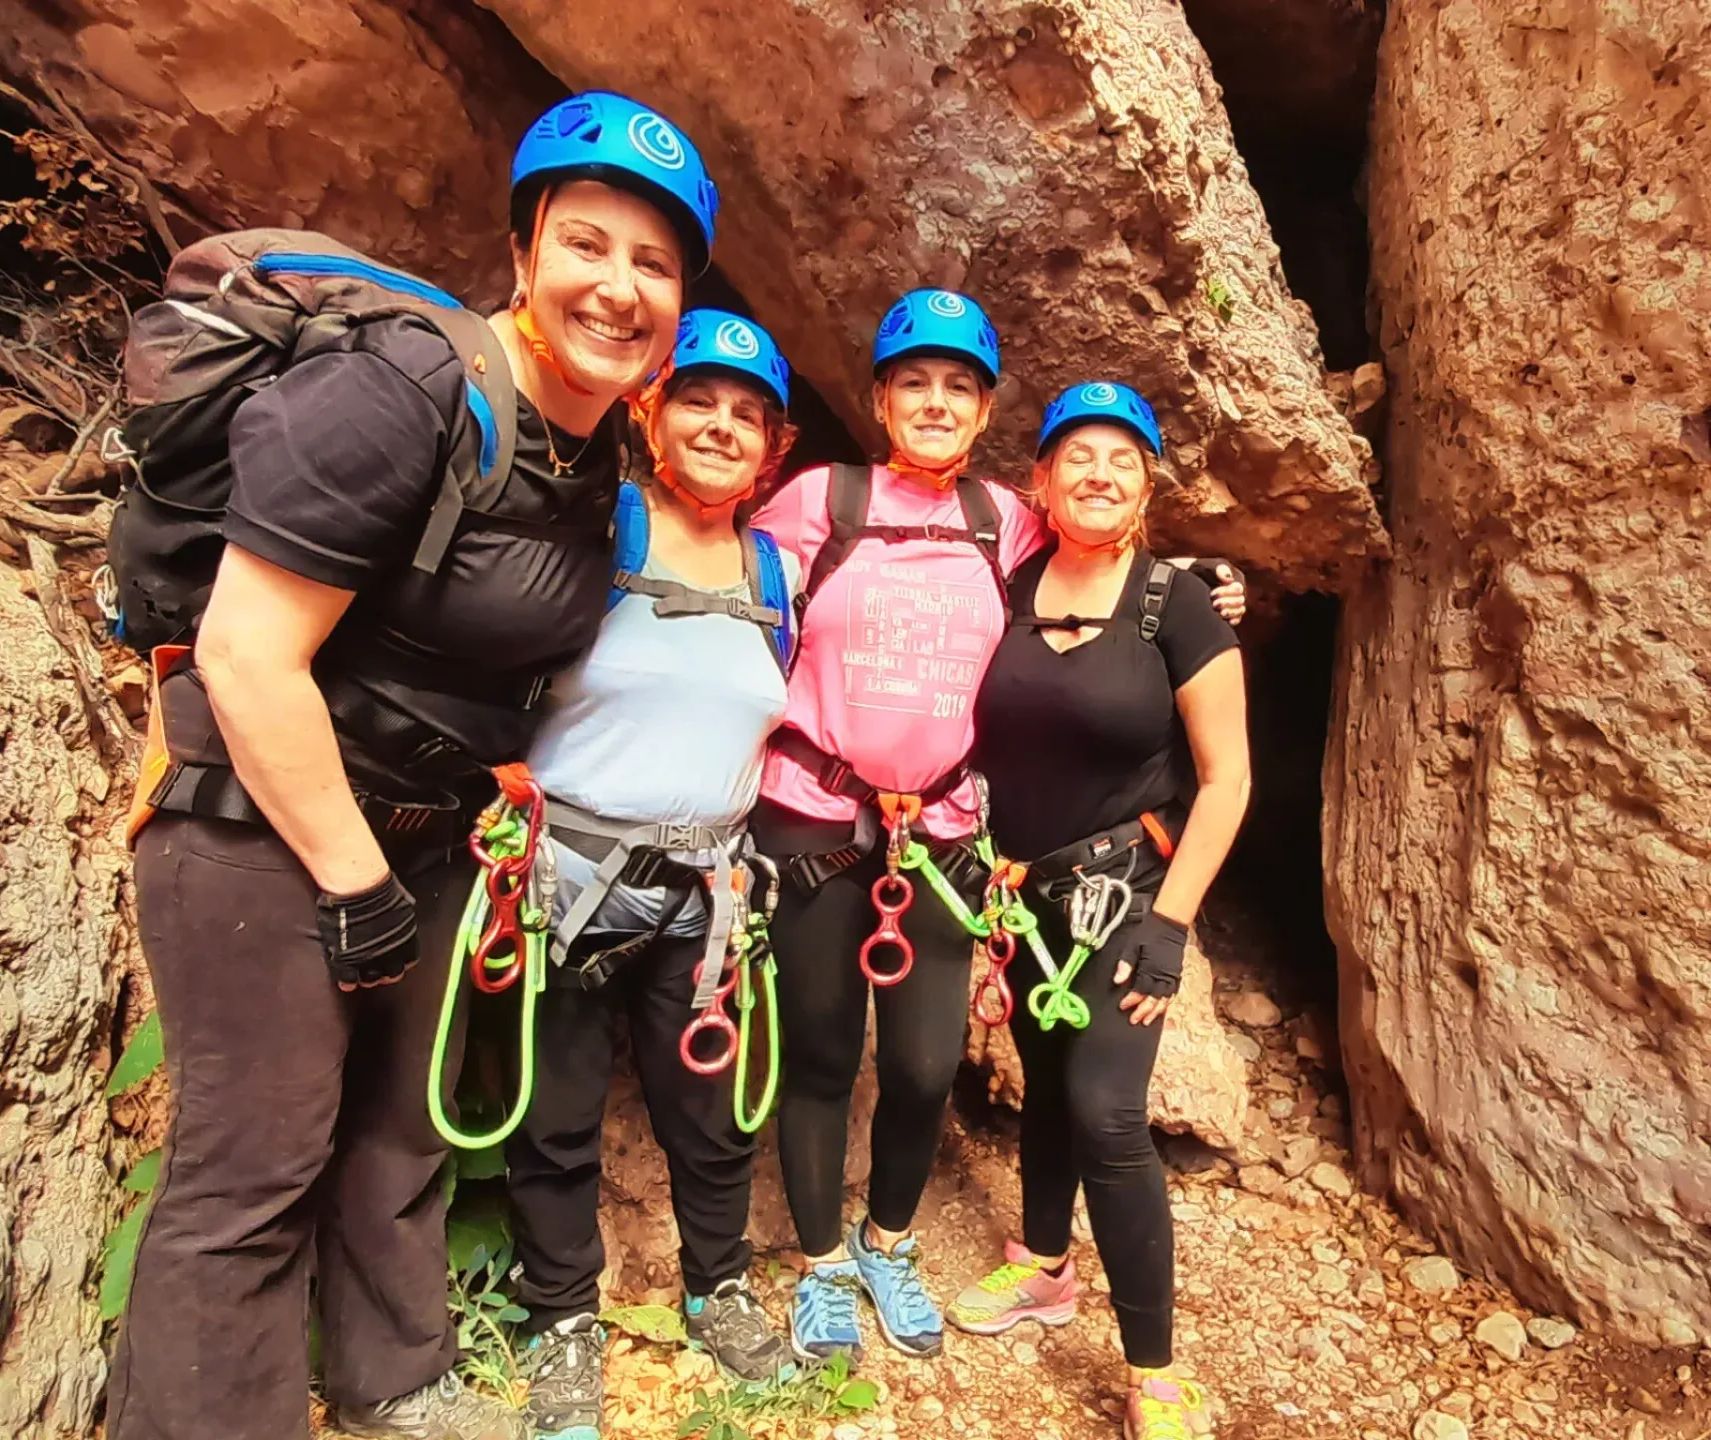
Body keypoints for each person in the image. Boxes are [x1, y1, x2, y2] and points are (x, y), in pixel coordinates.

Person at [105, 92, 716, 1440]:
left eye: (655, 264)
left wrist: (485, 789)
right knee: (252, 1168)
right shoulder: (406, 388)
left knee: (397, 1135)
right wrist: (351, 878)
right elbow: (247, 651)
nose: (619, 287)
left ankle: (395, 1383)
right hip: (260, 823)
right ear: (522, 253)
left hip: (426, 837)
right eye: (587, 244)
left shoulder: (591, 451)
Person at [748, 293, 1245, 1365]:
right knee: (823, 1054)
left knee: (926, 1064)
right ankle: (824, 1265)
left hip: (942, 834)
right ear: (880, 398)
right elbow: (734, 603)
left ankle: (887, 1241)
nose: (935, 402)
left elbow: (1103, 558)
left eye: (958, 387)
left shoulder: (1002, 523)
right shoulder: (817, 503)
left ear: (985, 415)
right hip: (816, 818)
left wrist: (1208, 588)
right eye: (913, 382)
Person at [506, 310, 800, 1440]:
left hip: (708, 896)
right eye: (699, 402)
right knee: (556, 1116)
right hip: (569, 881)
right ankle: (562, 1321)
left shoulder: (775, 570)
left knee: (709, 1114)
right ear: (651, 413)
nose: (722, 427)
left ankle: (718, 1287)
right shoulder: (600, 527)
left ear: (773, 446)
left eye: (748, 415)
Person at [946, 382, 1250, 1440]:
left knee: (1108, 1112)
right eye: (1077, 455)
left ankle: (1154, 1371)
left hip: (1126, 896)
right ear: (1040, 481)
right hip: (1026, 897)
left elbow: (1227, 779)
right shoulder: (1007, 591)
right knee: (1046, 1085)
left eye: (1124, 458)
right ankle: (1044, 1265)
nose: (1099, 473)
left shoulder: (1180, 607)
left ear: (1147, 487)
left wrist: (1171, 928)